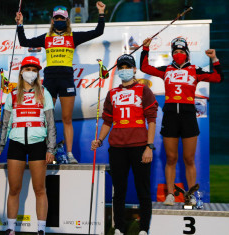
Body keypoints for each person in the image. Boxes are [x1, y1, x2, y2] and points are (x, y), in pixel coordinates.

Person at [15, 2, 106, 163]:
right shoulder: (46, 38)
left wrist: (101, 13)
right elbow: (24, 42)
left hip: (66, 79)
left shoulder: (73, 36)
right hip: (50, 78)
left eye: (62, 18)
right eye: (56, 18)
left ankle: (69, 153)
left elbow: (98, 31)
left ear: (67, 20)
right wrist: (20, 24)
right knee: (46, 117)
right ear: (52, 20)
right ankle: (46, 150)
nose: (59, 20)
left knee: (66, 118)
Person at [140, 37, 224, 205]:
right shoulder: (166, 69)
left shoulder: (195, 69)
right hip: (170, 115)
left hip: (188, 116)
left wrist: (214, 59)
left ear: (187, 54)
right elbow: (145, 67)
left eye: (181, 51)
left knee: (189, 159)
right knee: (171, 158)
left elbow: (217, 78)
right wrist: (146, 48)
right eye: (175, 52)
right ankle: (170, 194)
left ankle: (191, 194)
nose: (178, 54)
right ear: (172, 54)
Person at [91, 54, 158, 235]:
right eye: (121, 67)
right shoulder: (112, 93)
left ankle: (144, 228)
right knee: (119, 190)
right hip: (118, 147)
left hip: (139, 146)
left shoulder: (144, 90)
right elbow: (107, 121)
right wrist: (100, 139)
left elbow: (151, 121)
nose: (124, 70)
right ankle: (119, 227)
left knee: (142, 189)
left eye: (127, 66)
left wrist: (149, 147)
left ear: (134, 69)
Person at [0, 56, 56, 235]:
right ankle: (10, 228)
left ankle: (41, 230)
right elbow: (4, 123)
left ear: (38, 73)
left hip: (38, 144)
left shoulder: (45, 92)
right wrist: (0, 147)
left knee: (39, 188)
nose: (31, 72)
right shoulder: (12, 95)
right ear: (21, 72)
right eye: (28, 69)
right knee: (14, 188)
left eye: (34, 69)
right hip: (17, 144)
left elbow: (51, 122)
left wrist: (51, 149)